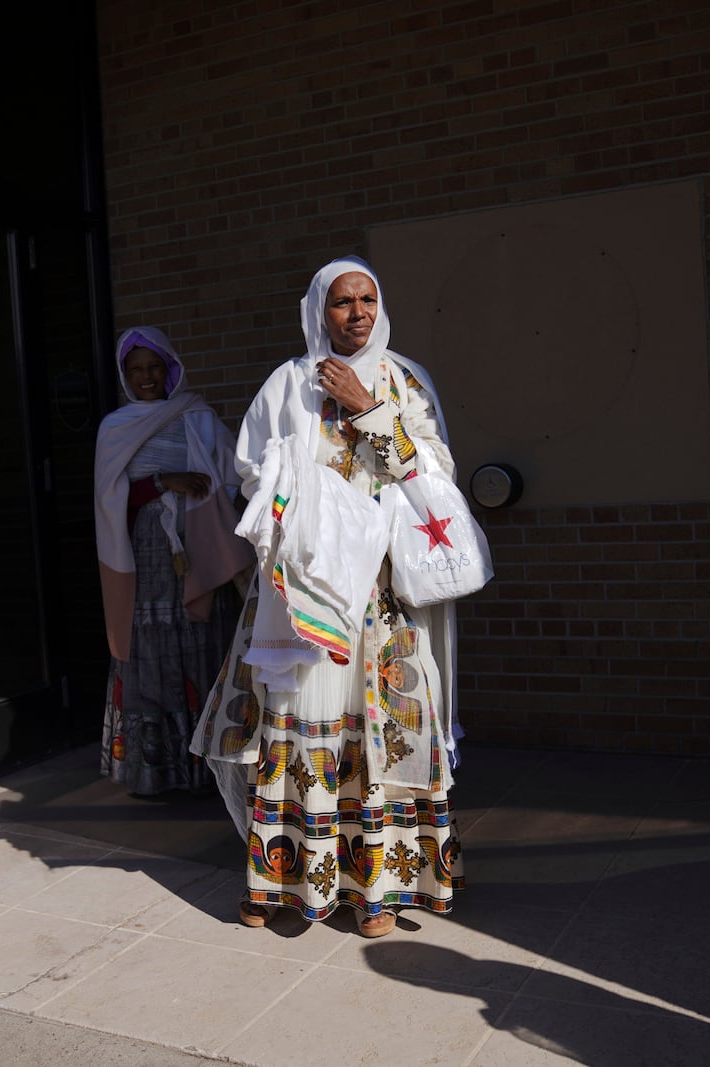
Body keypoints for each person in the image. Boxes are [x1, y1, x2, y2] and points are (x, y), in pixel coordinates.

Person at [191, 256, 465, 938]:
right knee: (295, 725)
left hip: (381, 597)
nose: (357, 313)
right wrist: (300, 496)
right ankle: (279, 880)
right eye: (343, 302)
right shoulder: (288, 381)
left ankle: (374, 891)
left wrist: (367, 408)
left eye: (367, 298)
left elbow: (435, 474)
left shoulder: (406, 380)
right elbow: (252, 469)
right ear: (321, 310)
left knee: (378, 734)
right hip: (307, 592)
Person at [95, 327, 254, 796]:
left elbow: (235, 477)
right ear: (125, 376)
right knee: (153, 650)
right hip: (148, 558)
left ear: (171, 369)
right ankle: (157, 769)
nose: (146, 377)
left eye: (154, 367)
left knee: (204, 641)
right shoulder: (115, 428)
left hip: (201, 550)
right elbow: (108, 500)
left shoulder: (198, 417)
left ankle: (210, 766)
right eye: (136, 369)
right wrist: (164, 481)